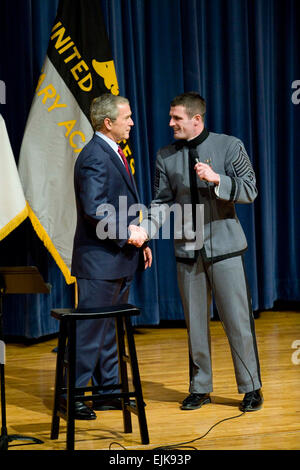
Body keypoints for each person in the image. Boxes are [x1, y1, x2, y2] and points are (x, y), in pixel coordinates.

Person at [129, 92, 263, 412]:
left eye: (176, 118)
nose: (170, 123)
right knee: (195, 324)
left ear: (196, 119)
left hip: (226, 248)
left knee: (237, 321)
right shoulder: (166, 155)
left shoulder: (229, 146)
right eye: (171, 117)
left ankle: (251, 387)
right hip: (187, 249)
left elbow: (250, 189)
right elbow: (161, 201)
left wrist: (219, 179)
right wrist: (146, 229)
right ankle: (200, 387)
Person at [68, 93, 152, 420]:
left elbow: (120, 206)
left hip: (117, 258)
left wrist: (138, 243)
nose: (132, 122)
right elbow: (94, 207)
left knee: (108, 333)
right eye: (127, 117)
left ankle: (106, 393)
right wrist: (128, 234)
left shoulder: (113, 152)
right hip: (99, 261)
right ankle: (73, 395)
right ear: (108, 122)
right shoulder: (94, 156)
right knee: (90, 333)